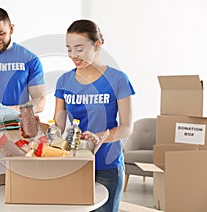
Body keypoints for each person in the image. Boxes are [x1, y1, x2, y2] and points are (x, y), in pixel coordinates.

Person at [53, 19, 135, 212]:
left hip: (107, 164)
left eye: (79, 49)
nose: (73, 55)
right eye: (69, 49)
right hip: (75, 164)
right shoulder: (64, 81)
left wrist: (99, 137)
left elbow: (127, 127)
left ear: (96, 45)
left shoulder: (118, 79)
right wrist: (39, 127)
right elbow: (58, 125)